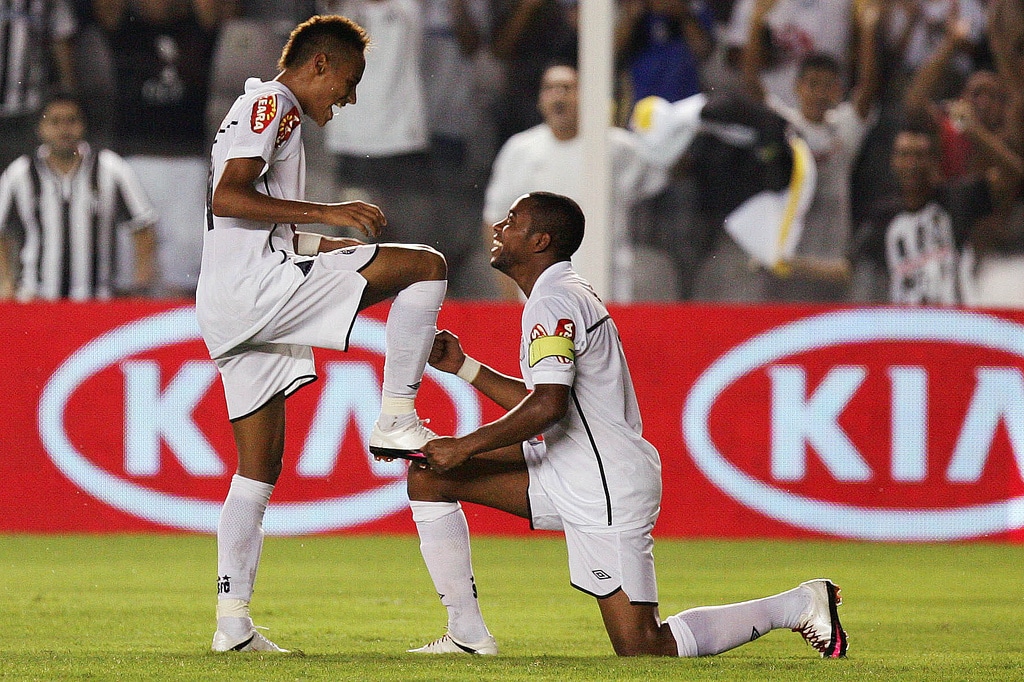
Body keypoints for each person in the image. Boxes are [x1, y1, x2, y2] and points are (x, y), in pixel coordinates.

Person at [403, 191, 848, 658]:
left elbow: (550, 406)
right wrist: (465, 367)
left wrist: (467, 445)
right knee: (431, 477)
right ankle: (467, 635)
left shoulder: (554, 301)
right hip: (571, 470)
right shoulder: (560, 294)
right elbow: (548, 399)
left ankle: (797, 605)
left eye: (512, 220)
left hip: (603, 485)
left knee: (643, 645)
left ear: (539, 241)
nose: (498, 227)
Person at [198, 14, 448, 653]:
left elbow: (262, 225)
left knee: (258, 470)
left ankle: (232, 624)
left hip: (232, 298)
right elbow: (229, 197)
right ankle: (397, 416)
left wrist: (334, 240)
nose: (351, 97)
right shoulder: (273, 105)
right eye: (350, 80)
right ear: (319, 64)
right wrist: (328, 210)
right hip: (259, 291)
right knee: (427, 266)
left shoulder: (265, 110)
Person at [483, 62, 666, 301]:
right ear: (540, 100)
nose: (559, 97)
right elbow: (495, 221)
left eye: (568, 88)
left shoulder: (618, 148)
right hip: (538, 298)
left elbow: (660, 176)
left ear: (586, 96)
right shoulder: (520, 150)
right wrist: (509, 296)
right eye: (550, 88)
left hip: (609, 290)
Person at [742, 1, 882, 302]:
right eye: (812, 85)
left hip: (827, 266)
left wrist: (868, 28)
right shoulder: (784, 125)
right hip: (786, 264)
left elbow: (868, 87)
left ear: (838, 91)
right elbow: (752, 85)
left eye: (828, 86)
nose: (819, 93)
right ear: (797, 87)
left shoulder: (844, 128)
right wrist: (755, 22)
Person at [0, 94, 157, 301]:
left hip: (98, 302)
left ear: (83, 125)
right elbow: (2, 231)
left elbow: (143, 228)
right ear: (40, 128)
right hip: (35, 301)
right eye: (55, 122)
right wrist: (5, 284)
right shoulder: (20, 173)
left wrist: (140, 287)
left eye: (71, 120)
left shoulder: (110, 168)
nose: (64, 129)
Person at [849, 117, 1018, 304]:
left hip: (956, 317)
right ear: (893, 162)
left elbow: (1013, 177)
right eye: (904, 155)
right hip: (903, 320)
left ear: (934, 160)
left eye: (919, 155)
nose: (911, 164)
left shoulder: (958, 199)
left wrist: (976, 133)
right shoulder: (881, 219)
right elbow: (853, 271)